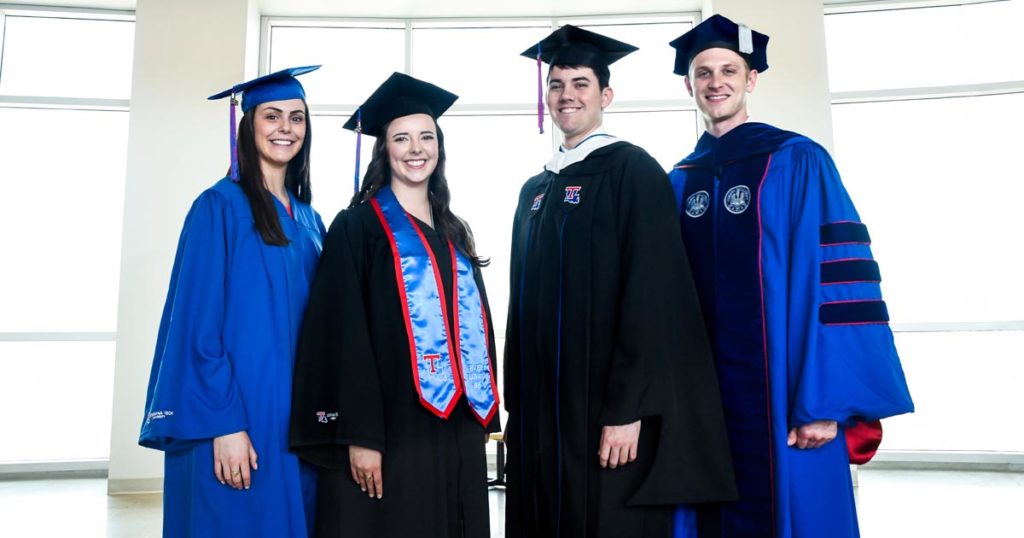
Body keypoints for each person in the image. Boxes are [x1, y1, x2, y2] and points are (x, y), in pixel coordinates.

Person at [666, 14, 915, 537]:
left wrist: (825, 404)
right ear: (689, 83)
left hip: (787, 400)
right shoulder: (678, 180)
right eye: (704, 72)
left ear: (750, 79)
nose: (716, 82)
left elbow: (840, 284)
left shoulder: (798, 161)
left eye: (728, 70)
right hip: (703, 407)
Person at [504, 25, 737, 538]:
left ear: (605, 95)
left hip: (605, 410)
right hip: (543, 415)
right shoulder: (535, 191)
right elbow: (520, 309)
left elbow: (652, 296)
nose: (568, 95)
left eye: (581, 83)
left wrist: (629, 409)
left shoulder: (633, 172)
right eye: (558, 84)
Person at [289, 72, 501, 538]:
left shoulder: (455, 232)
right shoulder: (357, 228)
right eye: (401, 138)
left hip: (456, 428)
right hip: (390, 430)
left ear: (439, 147)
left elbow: (476, 332)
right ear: (384, 149)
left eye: (426, 136)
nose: (415, 148)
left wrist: (483, 413)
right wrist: (360, 436)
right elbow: (342, 337)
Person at [139, 66, 324, 537]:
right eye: (272, 116)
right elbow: (196, 326)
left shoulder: (309, 220)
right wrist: (224, 425)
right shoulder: (218, 207)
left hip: (293, 423)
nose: (286, 128)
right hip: (237, 416)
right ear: (248, 126)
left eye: (297, 118)